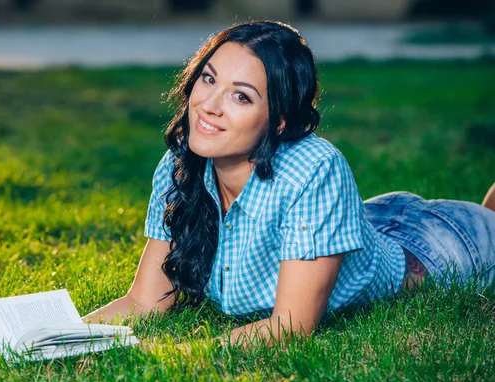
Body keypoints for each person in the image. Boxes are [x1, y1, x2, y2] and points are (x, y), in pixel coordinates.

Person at [82, 20, 495, 349]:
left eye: (240, 97)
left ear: (278, 121)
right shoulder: (181, 163)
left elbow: (291, 326)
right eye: (208, 80)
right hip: (367, 219)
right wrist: (58, 336)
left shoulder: (313, 169)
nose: (208, 105)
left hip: (439, 246)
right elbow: (144, 302)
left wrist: (176, 355)